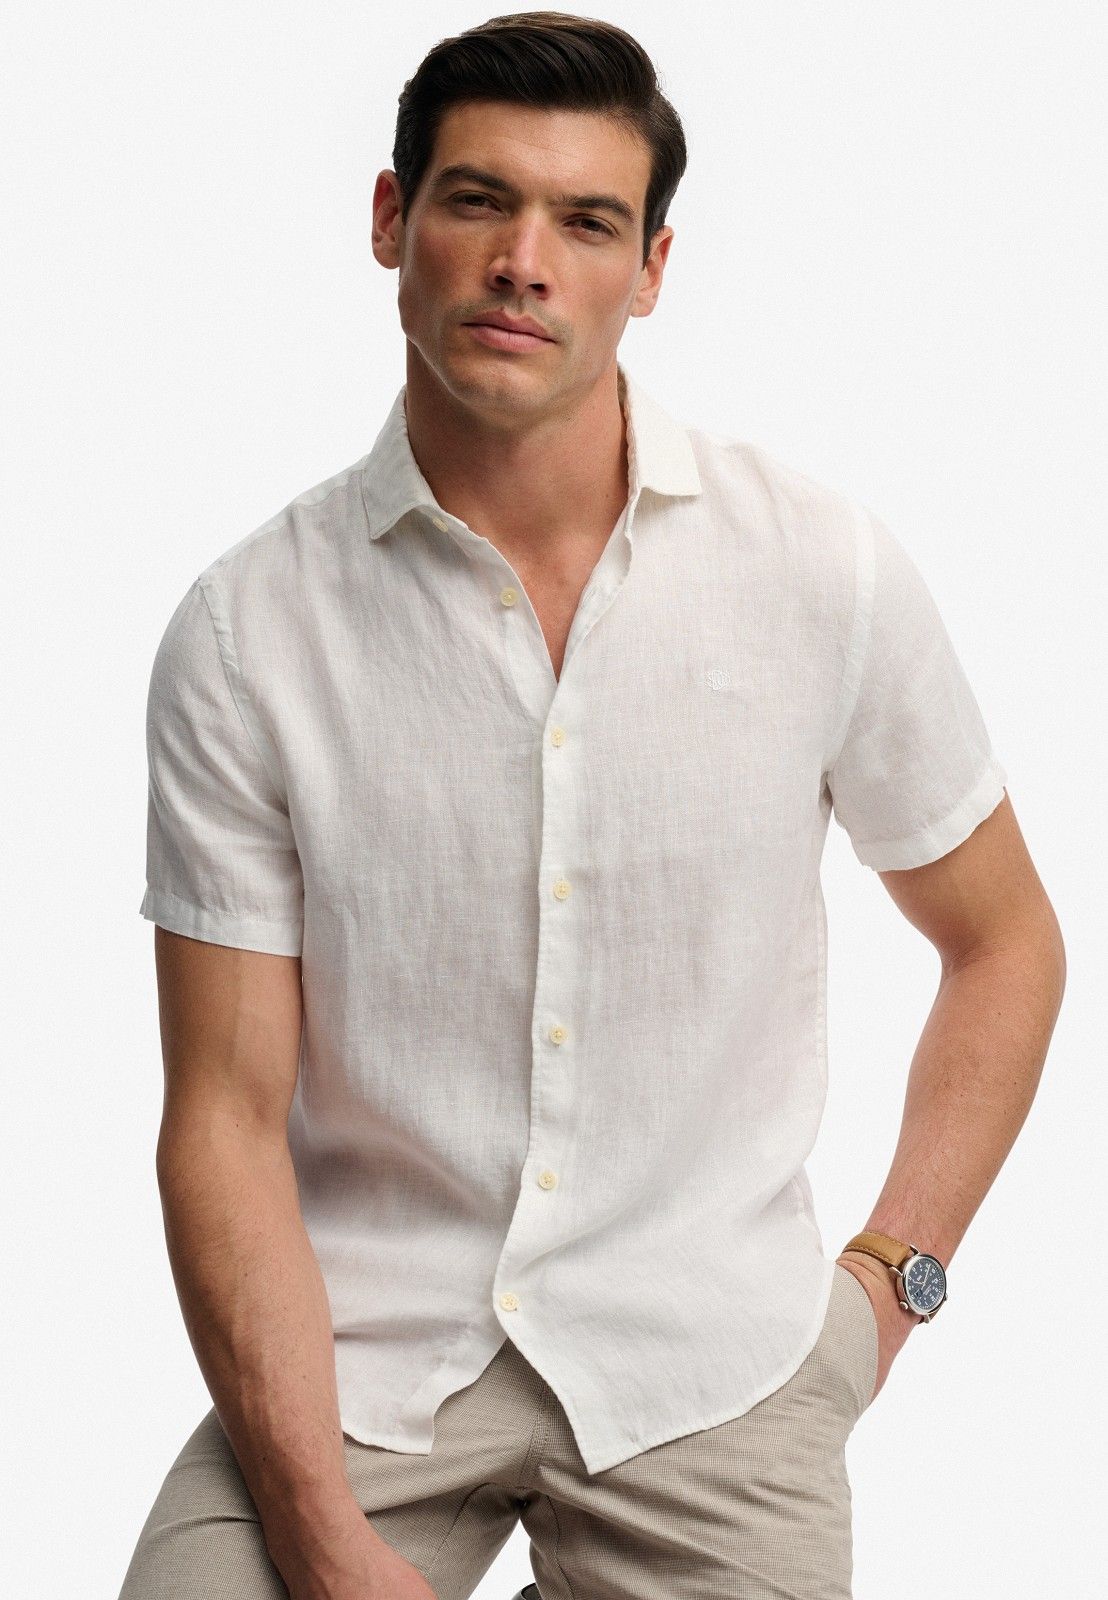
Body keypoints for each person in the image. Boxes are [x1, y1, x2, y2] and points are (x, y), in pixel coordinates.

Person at [120, 12, 1065, 1600]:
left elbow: (1004, 941)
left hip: (714, 1359)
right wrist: (319, 1533)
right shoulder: (247, 633)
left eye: (586, 221)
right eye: (478, 200)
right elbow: (220, 1114)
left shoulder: (816, 569)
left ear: (652, 268)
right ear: (390, 220)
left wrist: (885, 1289)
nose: (524, 264)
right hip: (359, 1359)